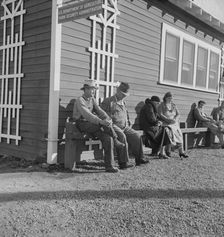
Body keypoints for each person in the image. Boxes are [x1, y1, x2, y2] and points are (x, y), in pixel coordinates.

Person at [73, 79, 132, 173]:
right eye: (91, 89)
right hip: (82, 124)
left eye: (94, 89)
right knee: (104, 125)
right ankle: (116, 140)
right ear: (85, 89)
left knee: (108, 138)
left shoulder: (92, 100)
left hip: (93, 125)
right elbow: (87, 115)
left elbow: (100, 111)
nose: (93, 91)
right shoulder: (80, 100)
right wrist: (101, 122)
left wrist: (107, 119)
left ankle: (110, 166)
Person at [101, 82, 149, 166]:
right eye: (123, 94)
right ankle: (123, 162)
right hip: (113, 126)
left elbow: (125, 114)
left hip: (125, 126)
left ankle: (140, 158)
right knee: (122, 136)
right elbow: (104, 116)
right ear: (118, 91)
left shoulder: (123, 102)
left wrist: (128, 121)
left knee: (136, 136)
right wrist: (111, 124)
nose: (124, 96)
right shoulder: (108, 101)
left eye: (125, 95)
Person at [158, 92, 188, 158]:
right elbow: (160, 114)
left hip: (174, 123)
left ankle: (181, 152)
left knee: (179, 134)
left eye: (171, 98)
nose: (170, 99)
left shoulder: (173, 105)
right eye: (169, 98)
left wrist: (175, 119)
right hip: (166, 123)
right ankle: (162, 152)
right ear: (165, 98)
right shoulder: (161, 105)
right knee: (166, 133)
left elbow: (178, 114)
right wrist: (167, 120)